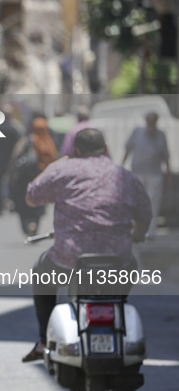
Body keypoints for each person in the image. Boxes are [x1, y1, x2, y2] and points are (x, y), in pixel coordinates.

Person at [21, 128, 152, 362]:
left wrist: (54, 165)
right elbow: (145, 215)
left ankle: (44, 341)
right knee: (130, 265)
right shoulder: (124, 175)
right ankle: (115, 311)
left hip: (69, 261)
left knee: (41, 273)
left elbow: (31, 196)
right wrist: (137, 235)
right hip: (116, 262)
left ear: (76, 150)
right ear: (107, 149)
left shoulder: (64, 170)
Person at [122, 112, 172, 239]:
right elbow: (128, 150)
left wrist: (169, 174)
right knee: (135, 201)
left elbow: (166, 156)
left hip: (154, 173)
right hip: (138, 172)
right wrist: (121, 168)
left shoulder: (161, 135)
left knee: (152, 203)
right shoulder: (137, 132)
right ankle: (134, 229)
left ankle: (150, 230)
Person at [9, 115, 57, 235]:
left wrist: (10, 171)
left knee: (22, 200)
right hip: (42, 176)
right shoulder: (49, 141)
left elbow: (15, 154)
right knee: (39, 202)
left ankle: (26, 224)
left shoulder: (28, 139)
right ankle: (34, 223)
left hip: (25, 176)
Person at [0, 103, 21, 216]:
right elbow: (19, 145)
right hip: (11, 161)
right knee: (11, 183)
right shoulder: (14, 129)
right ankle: (9, 204)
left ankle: (1, 207)